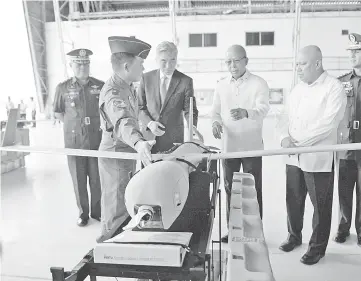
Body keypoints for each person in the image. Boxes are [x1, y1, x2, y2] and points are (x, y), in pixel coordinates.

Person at [278, 45, 346, 265]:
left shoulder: (333, 87)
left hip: (317, 158)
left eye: (303, 64)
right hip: (293, 156)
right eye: (297, 64)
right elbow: (283, 117)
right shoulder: (297, 89)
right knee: (293, 200)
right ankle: (294, 236)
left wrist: (299, 143)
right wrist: (283, 139)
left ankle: (317, 248)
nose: (298, 68)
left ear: (317, 63)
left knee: (321, 204)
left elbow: (328, 124)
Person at [97, 36, 155, 243]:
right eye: (141, 63)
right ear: (126, 65)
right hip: (115, 155)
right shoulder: (113, 92)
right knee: (115, 204)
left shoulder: (127, 86)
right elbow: (122, 122)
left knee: (125, 200)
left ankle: (121, 240)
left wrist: (146, 130)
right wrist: (139, 143)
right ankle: (109, 245)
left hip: (126, 151)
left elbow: (133, 115)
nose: (144, 67)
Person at [211, 45, 270, 243]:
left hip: (252, 145)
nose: (232, 65)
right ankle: (234, 230)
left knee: (252, 190)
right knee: (231, 190)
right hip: (229, 147)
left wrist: (247, 112)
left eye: (236, 61)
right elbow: (215, 111)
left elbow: (263, 109)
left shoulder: (259, 83)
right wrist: (215, 122)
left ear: (246, 60)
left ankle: (255, 232)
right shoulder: (221, 85)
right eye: (228, 62)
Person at [53, 48, 104, 227]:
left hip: (96, 141)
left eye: (86, 63)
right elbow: (58, 113)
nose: (83, 67)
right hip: (74, 143)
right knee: (79, 179)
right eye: (79, 63)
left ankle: (97, 212)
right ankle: (83, 214)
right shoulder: (63, 88)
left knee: (97, 179)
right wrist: (72, 126)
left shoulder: (100, 85)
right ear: (71, 65)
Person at [138, 41, 200, 153]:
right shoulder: (146, 78)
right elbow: (139, 107)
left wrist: (193, 127)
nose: (168, 66)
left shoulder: (185, 81)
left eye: (173, 60)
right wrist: (150, 123)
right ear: (156, 60)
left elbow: (190, 110)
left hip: (174, 142)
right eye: (163, 61)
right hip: (149, 140)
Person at [334, 32, 361, 247]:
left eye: (357, 51)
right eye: (350, 52)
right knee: (344, 192)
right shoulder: (341, 82)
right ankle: (343, 228)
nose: (352, 55)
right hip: (345, 147)